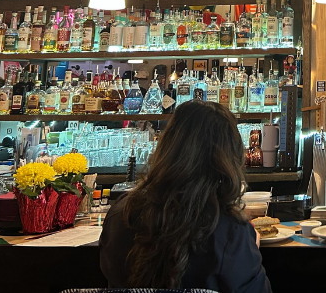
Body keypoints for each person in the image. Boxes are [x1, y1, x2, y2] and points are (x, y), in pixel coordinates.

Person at [100, 101, 271, 293]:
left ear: (167, 146)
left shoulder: (120, 216)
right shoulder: (231, 230)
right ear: (228, 158)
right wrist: (249, 249)